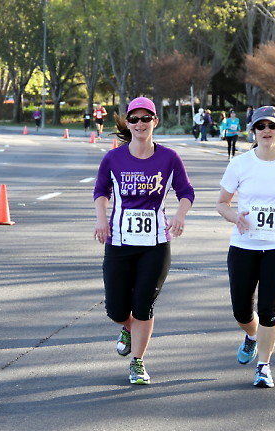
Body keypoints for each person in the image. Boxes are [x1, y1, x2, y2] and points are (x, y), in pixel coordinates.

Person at [93, 97, 195, 385]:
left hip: (156, 244)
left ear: (155, 122)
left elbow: (186, 191)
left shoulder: (169, 158)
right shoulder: (113, 158)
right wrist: (101, 219)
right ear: (127, 122)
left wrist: (180, 216)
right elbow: (101, 191)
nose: (139, 124)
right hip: (119, 242)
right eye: (134, 119)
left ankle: (137, 362)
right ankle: (127, 328)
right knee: (116, 310)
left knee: (144, 306)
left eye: (145, 119)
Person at [216, 106, 275, 388]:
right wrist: (234, 216)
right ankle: (252, 335)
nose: (266, 131)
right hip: (243, 245)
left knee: (268, 309)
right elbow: (222, 203)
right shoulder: (240, 164)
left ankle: (264, 366)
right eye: (261, 126)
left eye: (272, 126)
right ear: (253, 132)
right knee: (242, 311)